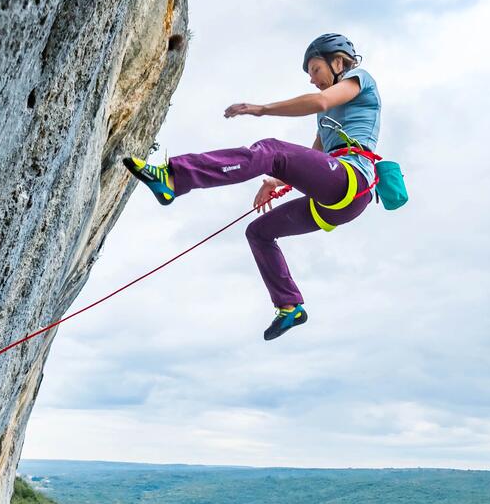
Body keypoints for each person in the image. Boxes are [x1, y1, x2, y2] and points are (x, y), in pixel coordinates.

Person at [123, 33, 382, 340]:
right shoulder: (325, 117)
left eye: (315, 70)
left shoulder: (359, 79)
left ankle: (174, 177)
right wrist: (275, 181)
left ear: (338, 62)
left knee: (271, 149)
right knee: (258, 232)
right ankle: (289, 306)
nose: (312, 80)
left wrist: (260, 109)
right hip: (338, 201)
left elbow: (322, 100)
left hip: (353, 180)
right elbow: (314, 156)